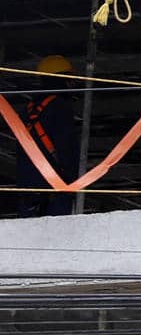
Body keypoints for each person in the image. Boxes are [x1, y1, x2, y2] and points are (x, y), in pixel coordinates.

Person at [10, 55, 78, 217]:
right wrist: (71, 179)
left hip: (28, 186)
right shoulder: (60, 107)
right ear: (63, 80)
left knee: (28, 234)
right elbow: (66, 145)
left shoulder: (28, 109)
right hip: (54, 184)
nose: (73, 84)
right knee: (57, 235)